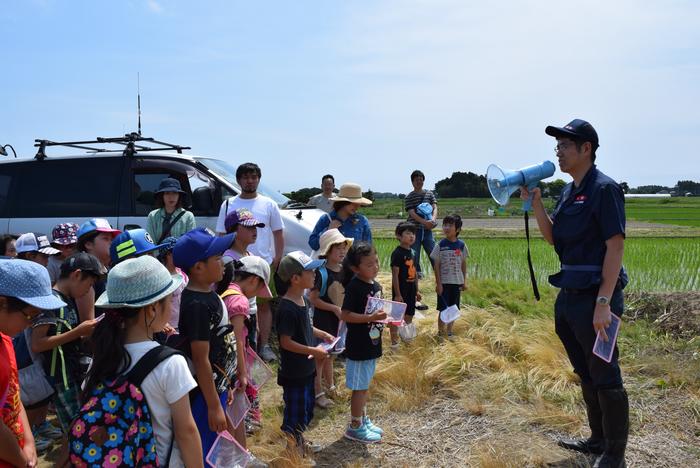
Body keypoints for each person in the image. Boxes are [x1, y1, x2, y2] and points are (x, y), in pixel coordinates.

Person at [522, 119, 629, 468]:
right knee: (585, 370)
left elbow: (615, 247)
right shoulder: (568, 192)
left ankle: (614, 454)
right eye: (558, 145)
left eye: (566, 144)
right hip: (569, 294)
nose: (559, 151)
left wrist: (603, 303)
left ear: (587, 149)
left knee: (605, 371)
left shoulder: (604, 189)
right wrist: (536, 202)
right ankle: (597, 439)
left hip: (597, 296)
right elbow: (554, 239)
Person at [82, 255, 202, 467]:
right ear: (152, 308)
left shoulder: (102, 357)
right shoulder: (171, 363)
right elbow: (187, 432)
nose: (174, 304)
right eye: (170, 299)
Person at [29, 253, 104, 460]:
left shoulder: (66, 299)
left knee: (71, 433)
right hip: (59, 378)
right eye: (89, 285)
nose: (89, 290)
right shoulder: (51, 302)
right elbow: (38, 343)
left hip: (69, 374)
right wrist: (78, 332)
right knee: (76, 431)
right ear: (77, 275)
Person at [173, 227, 238, 463]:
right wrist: (213, 406)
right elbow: (200, 359)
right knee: (208, 448)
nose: (224, 263)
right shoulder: (197, 305)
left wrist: (226, 383)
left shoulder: (209, 295)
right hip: (203, 394)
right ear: (198, 267)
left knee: (217, 443)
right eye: (218, 258)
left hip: (216, 385)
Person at [0, 259, 67, 468]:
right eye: (30, 315)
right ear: (2, 302)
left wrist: (28, 442)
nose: (31, 324)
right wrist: (21, 460)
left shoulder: (6, 340)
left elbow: (13, 394)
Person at [215, 163, 284, 362]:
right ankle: (237, 346)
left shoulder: (269, 204)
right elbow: (221, 234)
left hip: (262, 264)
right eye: (245, 177)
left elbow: (278, 233)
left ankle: (263, 345)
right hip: (235, 265)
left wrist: (277, 259)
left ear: (259, 179)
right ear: (238, 180)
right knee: (234, 305)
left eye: (253, 177)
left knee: (261, 306)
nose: (250, 181)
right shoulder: (228, 204)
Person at [275, 251, 334, 460]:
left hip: (306, 368)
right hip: (294, 371)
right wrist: (313, 351)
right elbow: (285, 342)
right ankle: (292, 451)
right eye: (310, 271)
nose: (315, 274)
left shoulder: (304, 300)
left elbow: (307, 326)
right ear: (295, 278)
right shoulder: (287, 308)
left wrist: (322, 334)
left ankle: (299, 440)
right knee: (295, 411)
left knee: (306, 409)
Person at [216, 256, 271, 451]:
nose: (255, 294)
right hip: (233, 369)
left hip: (223, 366)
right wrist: (242, 373)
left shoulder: (226, 290)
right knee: (236, 417)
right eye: (258, 289)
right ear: (254, 280)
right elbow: (237, 339)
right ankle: (238, 456)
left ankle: (239, 454)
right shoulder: (239, 301)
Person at [340, 242, 386, 444]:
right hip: (359, 347)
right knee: (359, 388)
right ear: (355, 268)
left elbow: (377, 313)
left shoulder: (375, 285)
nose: (375, 267)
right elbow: (346, 315)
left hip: (372, 344)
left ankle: (363, 419)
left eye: (376, 261)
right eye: (369, 265)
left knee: (364, 386)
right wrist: (370, 318)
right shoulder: (354, 287)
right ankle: (355, 427)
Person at [308, 229, 352, 409]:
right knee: (320, 356)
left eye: (344, 248)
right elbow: (313, 299)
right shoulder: (320, 272)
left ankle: (330, 386)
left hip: (338, 321)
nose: (342, 252)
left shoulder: (344, 270)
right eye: (337, 248)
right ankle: (318, 392)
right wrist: (333, 308)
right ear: (327, 250)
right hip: (323, 320)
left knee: (331, 356)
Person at [223, 208, 266, 351]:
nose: (254, 230)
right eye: (248, 227)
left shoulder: (250, 255)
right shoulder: (228, 260)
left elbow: (254, 297)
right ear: (233, 231)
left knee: (250, 353)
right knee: (239, 351)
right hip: (236, 315)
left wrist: (257, 320)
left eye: (255, 227)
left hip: (251, 313)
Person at [75, 218, 121, 321]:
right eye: (105, 239)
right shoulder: (85, 275)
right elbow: (88, 325)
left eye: (111, 239)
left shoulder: (107, 269)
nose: (111, 243)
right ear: (88, 244)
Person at [430, 214, 468, 338]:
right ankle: (441, 333)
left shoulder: (461, 245)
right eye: (445, 225)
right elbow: (436, 266)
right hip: (444, 283)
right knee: (443, 309)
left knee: (453, 309)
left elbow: (463, 264)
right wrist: (438, 284)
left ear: (457, 229)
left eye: (450, 225)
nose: (446, 228)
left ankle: (450, 331)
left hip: (456, 282)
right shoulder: (440, 245)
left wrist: (464, 281)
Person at [308, 183, 373, 252]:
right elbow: (313, 244)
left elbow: (368, 249)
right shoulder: (326, 219)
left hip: (353, 262)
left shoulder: (362, 221)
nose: (357, 206)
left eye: (358, 203)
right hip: (331, 262)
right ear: (342, 202)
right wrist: (328, 230)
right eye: (353, 203)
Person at [389, 222, 420, 348]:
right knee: (396, 317)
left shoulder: (413, 252)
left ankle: (407, 340)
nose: (411, 236)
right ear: (399, 236)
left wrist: (417, 290)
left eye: (413, 233)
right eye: (407, 233)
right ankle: (394, 342)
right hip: (401, 289)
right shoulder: (397, 253)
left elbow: (415, 272)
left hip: (411, 289)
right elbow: (395, 275)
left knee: (409, 315)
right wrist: (397, 294)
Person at [404, 170, 438, 282]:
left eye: (421, 179)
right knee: (415, 254)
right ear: (412, 182)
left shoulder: (429, 194)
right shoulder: (409, 197)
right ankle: (417, 279)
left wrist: (432, 220)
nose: (419, 181)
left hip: (428, 230)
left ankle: (439, 275)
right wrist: (425, 222)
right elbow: (412, 213)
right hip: (415, 230)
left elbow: (435, 207)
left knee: (433, 252)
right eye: (416, 180)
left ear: (423, 180)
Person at [146, 177, 197, 243]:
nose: (171, 197)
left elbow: (191, 242)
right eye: (167, 193)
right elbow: (150, 243)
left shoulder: (188, 216)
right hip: (158, 253)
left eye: (175, 193)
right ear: (162, 196)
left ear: (179, 195)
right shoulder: (153, 215)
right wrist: (160, 252)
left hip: (180, 253)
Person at [157, 237, 188, 333]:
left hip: (184, 323)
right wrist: (164, 324)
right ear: (168, 255)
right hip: (170, 327)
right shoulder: (161, 278)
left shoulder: (183, 274)